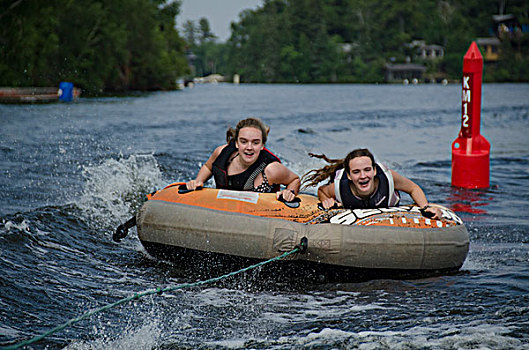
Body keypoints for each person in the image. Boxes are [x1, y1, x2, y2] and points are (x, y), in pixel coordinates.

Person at [302, 148, 442, 219]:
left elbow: (413, 188)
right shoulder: (340, 186)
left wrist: (425, 207)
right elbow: (322, 191)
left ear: (374, 171)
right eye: (356, 172)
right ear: (349, 176)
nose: (363, 176)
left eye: (367, 170)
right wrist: (328, 201)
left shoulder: (387, 178)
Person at [186, 117, 300, 202]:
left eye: (255, 143)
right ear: (236, 143)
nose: (249, 147)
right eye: (244, 141)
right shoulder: (221, 153)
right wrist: (198, 181)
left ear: (262, 145)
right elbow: (208, 167)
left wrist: (289, 192)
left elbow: (295, 180)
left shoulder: (272, 170)